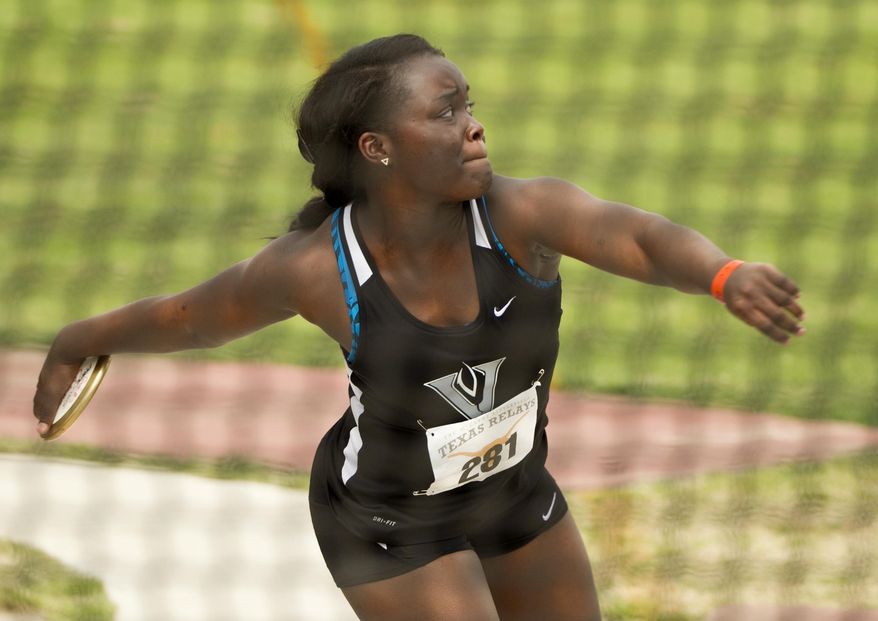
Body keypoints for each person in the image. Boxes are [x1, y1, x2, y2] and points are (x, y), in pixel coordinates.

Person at [32, 34, 805, 621]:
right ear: (379, 149)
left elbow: (635, 234)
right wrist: (79, 339)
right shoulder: (315, 269)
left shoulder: (520, 216)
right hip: (386, 522)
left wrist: (722, 273)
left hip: (513, 491)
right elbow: (192, 320)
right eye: (446, 112)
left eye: (467, 103)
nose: (474, 127)